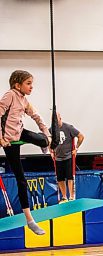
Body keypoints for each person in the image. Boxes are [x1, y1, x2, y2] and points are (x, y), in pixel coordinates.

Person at [0, 70, 51, 235]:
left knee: (44, 140)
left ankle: (45, 144)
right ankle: (30, 220)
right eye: (28, 83)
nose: (31, 87)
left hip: (19, 133)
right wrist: (1, 139)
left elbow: (36, 117)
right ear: (17, 85)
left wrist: (47, 134)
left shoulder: (24, 100)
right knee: (21, 180)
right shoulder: (10, 96)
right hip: (9, 140)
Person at [50, 112, 84, 202]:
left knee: (70, 177)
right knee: (60, 178)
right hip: (58, 157)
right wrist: (51, 151)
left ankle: (71, 196)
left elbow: (81, 136)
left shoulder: (68, 128)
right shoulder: (51, 130)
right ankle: (64, 196)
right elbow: (48, 141)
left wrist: (76, 148)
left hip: (68, 156)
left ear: (60, 118)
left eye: (56, 120)